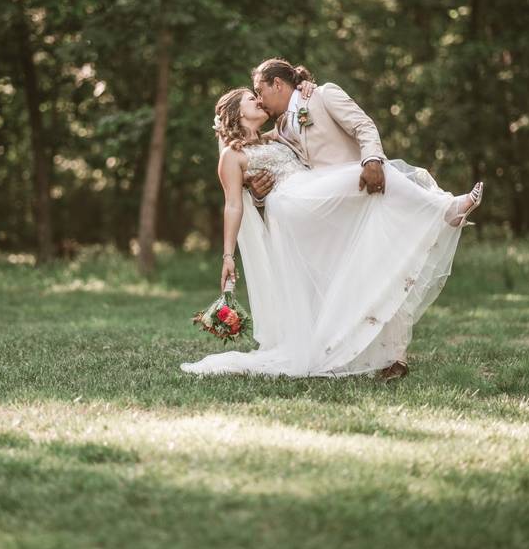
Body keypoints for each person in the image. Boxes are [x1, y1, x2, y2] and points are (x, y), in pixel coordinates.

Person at [180, 61, 482, 379]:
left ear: (278, 85)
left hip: (335, 203)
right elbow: (234, 203)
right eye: (252, 99)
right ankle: (445, 209)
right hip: (305, 203)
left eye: (259, 92)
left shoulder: (292, 119)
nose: (259, 100)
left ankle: (384, 357)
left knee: (370, 274)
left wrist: (307, 90)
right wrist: (232, 247)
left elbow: (360, 127)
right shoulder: (248, 146)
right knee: (383, 171)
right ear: (237, 113)